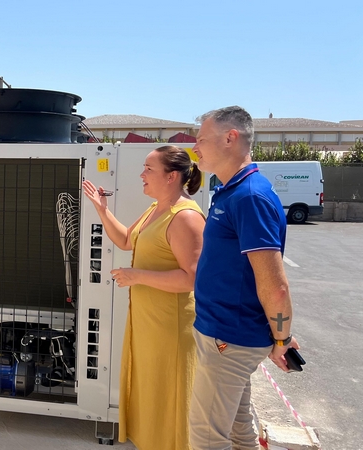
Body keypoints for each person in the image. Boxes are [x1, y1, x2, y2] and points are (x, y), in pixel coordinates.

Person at [190, 106, 300, 450]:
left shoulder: (250, 196)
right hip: (222, 334)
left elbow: (275, 285)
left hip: (229, 339)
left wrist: (282, 340)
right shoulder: (230, 191)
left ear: (229, 138)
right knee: (239, 430)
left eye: (201, 140)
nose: (195, 148)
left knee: (207, 438)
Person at [83, 145, 205, 450]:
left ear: (171, 176)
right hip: (148, 323)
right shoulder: (156, 209)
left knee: (170, 400)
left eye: (149, 169)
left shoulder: (186, 217)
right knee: (151, 396)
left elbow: (192, 278)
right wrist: (102, 209)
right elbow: (126, 239)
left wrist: (137, 276)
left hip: (170, 330)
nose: (142, 174)